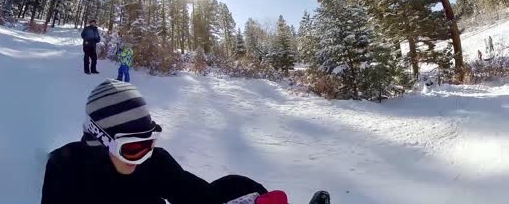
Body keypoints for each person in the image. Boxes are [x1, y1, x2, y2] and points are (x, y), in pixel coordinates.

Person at [41, 80, 330, 204]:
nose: (145, 155)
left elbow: (197, 197)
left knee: (236, 184)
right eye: (133, 148)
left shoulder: (154, 161)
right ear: (100, 142)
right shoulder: (66, 170)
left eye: (150, 141)